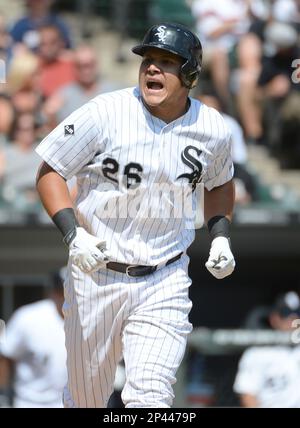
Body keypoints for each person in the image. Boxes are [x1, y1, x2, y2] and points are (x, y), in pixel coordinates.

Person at [35, 22, 236, 408]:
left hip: (165, 275)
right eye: (148, 60)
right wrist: (73, 234)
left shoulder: (212, 127)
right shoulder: (104, 112)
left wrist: (221, 233)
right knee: (86, 399)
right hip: (96, 274)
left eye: (166, 62)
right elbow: (50, 172)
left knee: (151, 397)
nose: (152, 69)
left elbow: (220, 183)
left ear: (190, 74)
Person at [0, 268, 67, 408]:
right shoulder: (28, 318)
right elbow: (6, 356)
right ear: (55, 293)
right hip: (31, 403)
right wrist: (3, 396)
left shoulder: (89, 319)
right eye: (65, 291)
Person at [234, 291, 300, 408]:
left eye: (297, 314)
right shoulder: (258, 353)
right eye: (286, 314)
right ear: (274, 319)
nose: (293, 320)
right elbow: (248, 395)